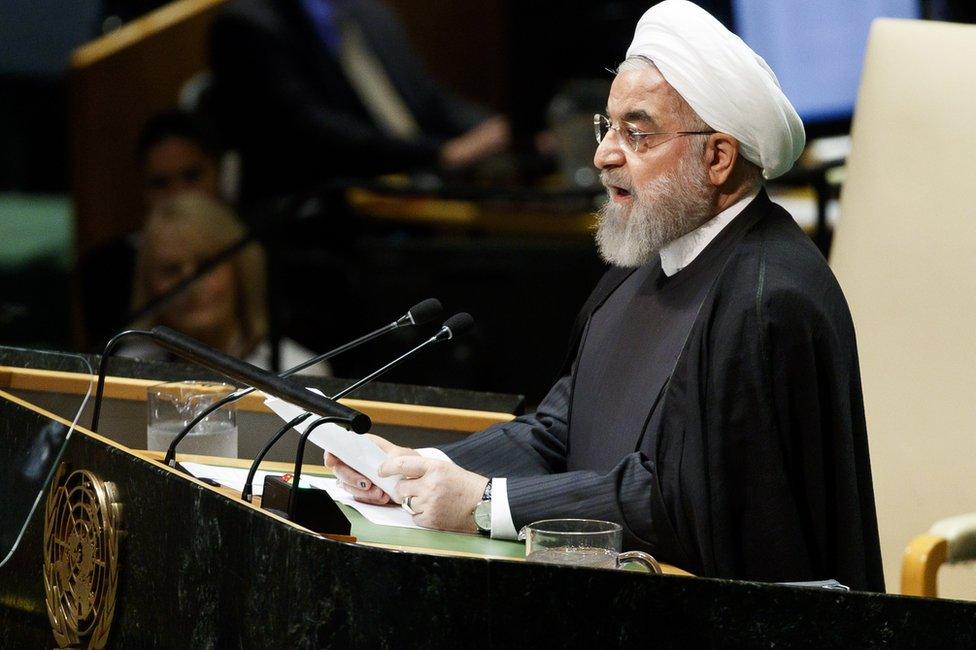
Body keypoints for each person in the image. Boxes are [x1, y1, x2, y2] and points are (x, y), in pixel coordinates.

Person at [327, 0, 883, 590]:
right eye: (607, 126)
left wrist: (486, 503)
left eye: (637, 133)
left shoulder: (767, 300)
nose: (603, 155)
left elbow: (688, 506)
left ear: (718, 158)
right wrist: (423, 470)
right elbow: (558, 430)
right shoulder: (646, 260)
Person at [209, 0, 511, 202]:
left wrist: (498, 129)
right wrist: (441, 154)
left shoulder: (364, 8)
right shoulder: (245, 25)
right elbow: (315, 133)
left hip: (419, 189)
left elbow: (427, 97)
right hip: (331, 215)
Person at [120, 192, 328, 375]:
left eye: (206, 265)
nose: (190, 284)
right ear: (147, 284)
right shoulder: (125, 368)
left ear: (240, 271)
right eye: (171, 270)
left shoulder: (300, 370)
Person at [79, 110, 226, 347]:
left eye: (191, 176)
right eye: (160, 183)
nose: (178, 194)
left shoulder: (252, 245)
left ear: (219, 173)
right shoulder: (106, 268)